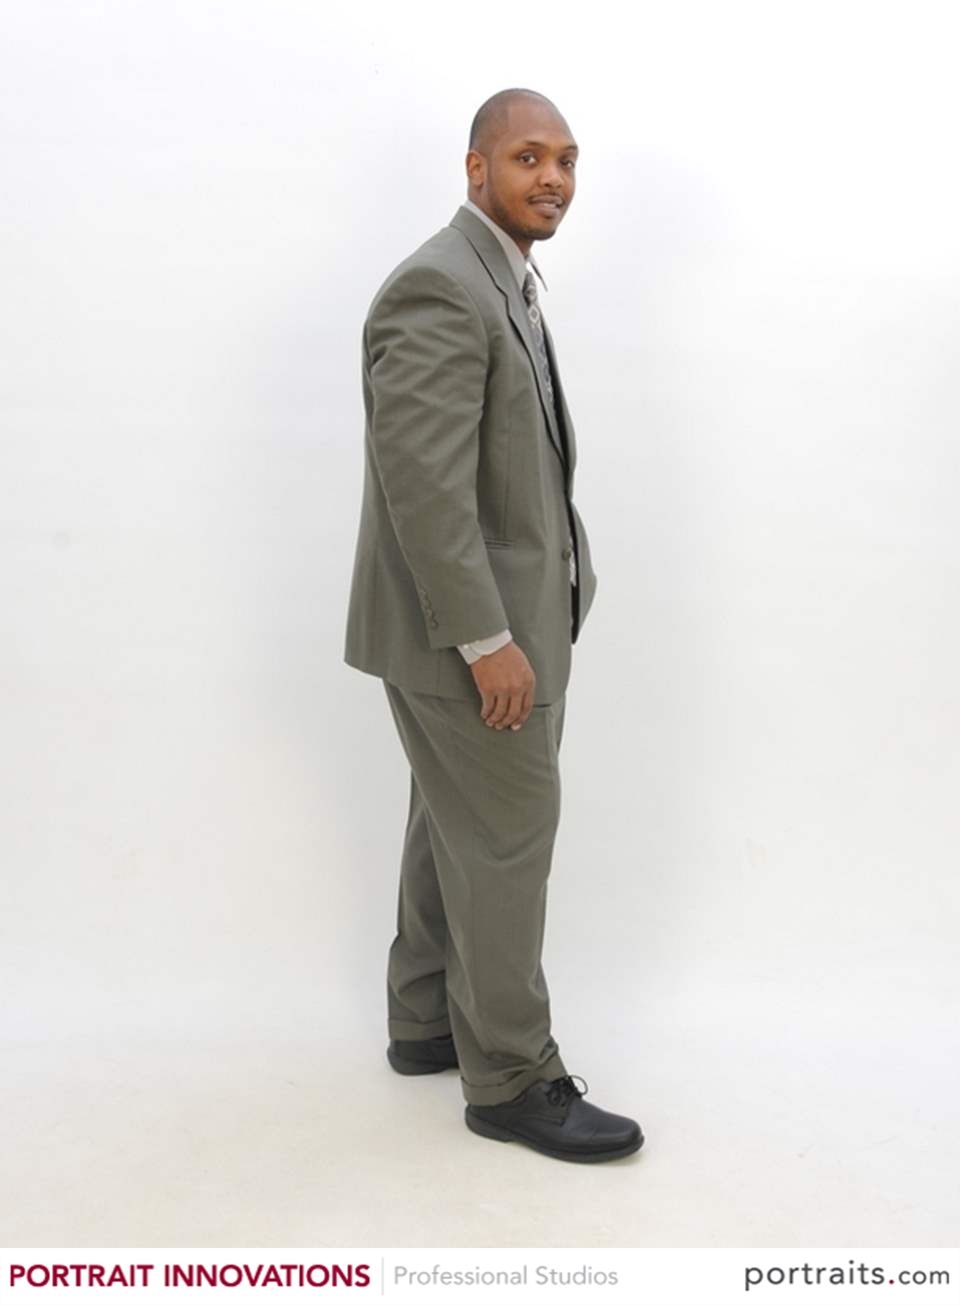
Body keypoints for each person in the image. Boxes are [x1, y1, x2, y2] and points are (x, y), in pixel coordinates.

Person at [343, 87, 643, 1163]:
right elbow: (424, 487)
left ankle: (425, 1020)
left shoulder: (501, 278)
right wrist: (488, 641)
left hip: (495, 626)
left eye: (567, 160)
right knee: (508, 841)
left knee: (452, 823)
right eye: (528, 157)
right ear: (477, 169)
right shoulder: (441, 284)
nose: (553, 178)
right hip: (472, 639)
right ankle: (512, 1078)